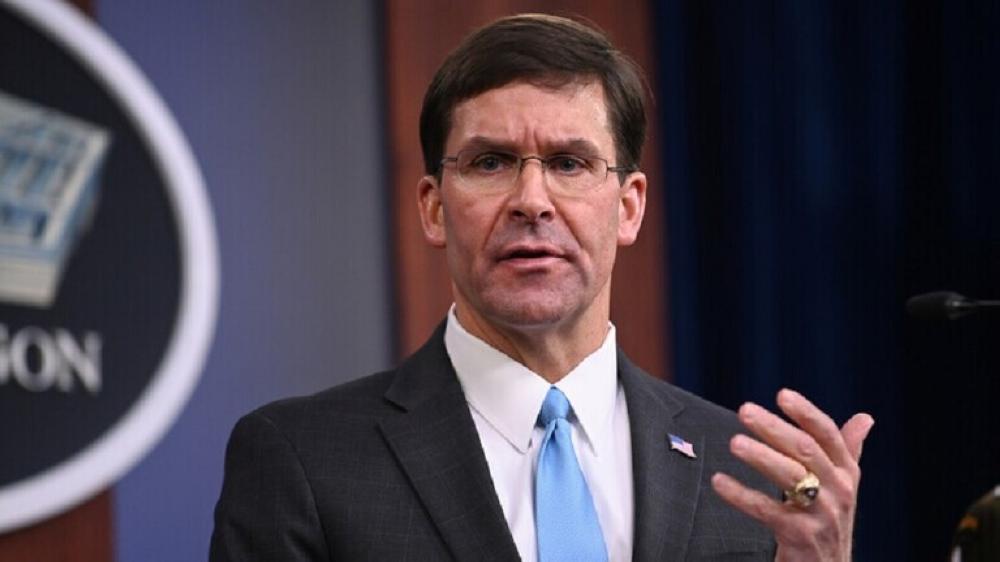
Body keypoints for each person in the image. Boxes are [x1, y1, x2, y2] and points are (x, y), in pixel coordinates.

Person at [210, 14, 873, 561]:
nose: (532, 200)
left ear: (629, 208)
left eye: (569, 163)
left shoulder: (753, 478)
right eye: (490, 162)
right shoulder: (303, 461)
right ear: (434, 208)